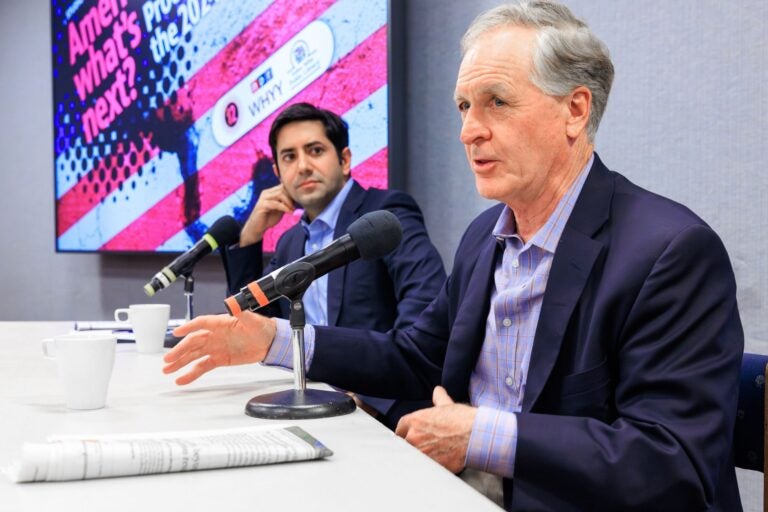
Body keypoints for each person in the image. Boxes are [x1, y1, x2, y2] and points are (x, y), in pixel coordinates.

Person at [163, 2, 744, 510]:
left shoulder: (670, 251)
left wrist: (479, 436)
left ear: (574, 110)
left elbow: (674, 461)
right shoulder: (483, 236)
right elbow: (418, 358)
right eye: (463, 106)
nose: (469, 131)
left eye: (496, 102)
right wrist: (273, 341)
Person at [219, 102, 446, 429]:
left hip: (379, 413)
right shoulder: (291, 242)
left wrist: (369, 402)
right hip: (305, 405)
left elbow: (426, 316)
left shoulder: (382, 217)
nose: (303, 166)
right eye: (289, 157)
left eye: (315, 150)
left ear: (345, 160)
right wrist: (250, 236)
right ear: (278, 172)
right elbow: (252, 326)